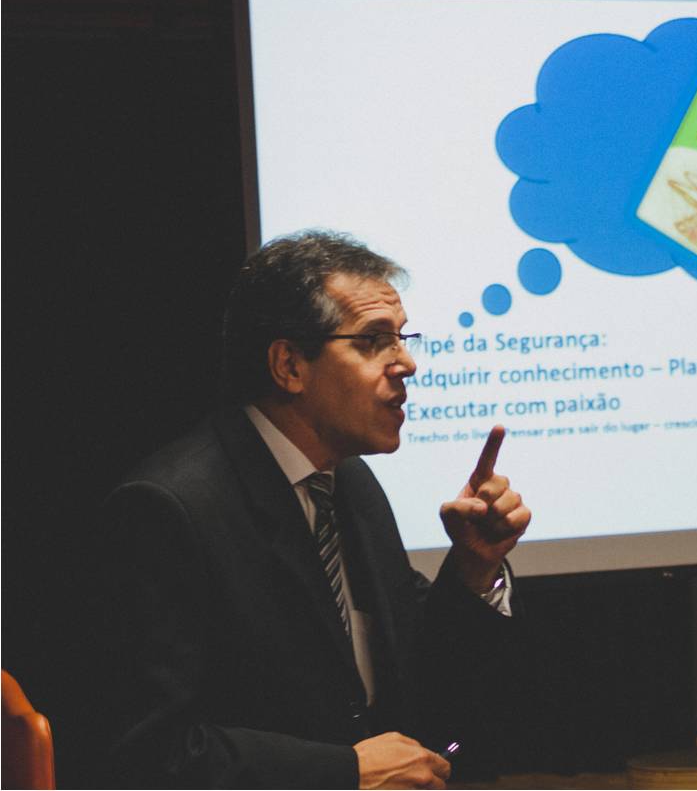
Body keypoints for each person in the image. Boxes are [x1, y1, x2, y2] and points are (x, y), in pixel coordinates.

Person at [103, 230, 531, 788]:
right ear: (289, 366)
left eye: (404, 338)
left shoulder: (350, 485)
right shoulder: (170, 508)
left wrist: (474, 566)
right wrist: (343, 772)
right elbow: (153, 754)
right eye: (375, 341)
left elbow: (415, 669)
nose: (407, 364)